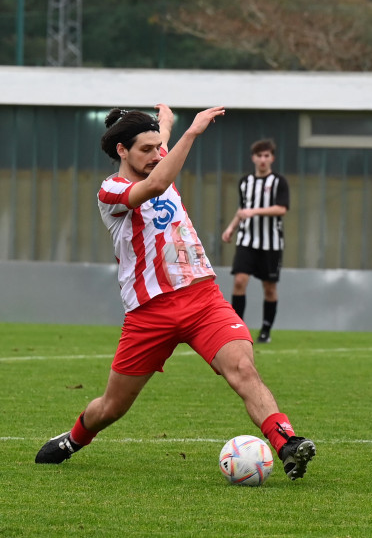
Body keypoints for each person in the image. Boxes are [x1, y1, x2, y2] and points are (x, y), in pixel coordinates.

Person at [35, 104, 315, 480]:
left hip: (203, 299)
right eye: (146, 150)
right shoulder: (111, 191)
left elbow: (159, 147)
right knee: (113, 407)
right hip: (150, 312)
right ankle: (74, 438)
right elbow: (155, 186)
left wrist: (164, 121)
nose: (156, 154)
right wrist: (191, 131)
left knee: (243, 369)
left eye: (158, 147)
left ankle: (287, 443)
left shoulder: (154, 156)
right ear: (122, 151)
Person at [221, 139, 289, 343]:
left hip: (271, 243)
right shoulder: (245, 182)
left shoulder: (279, 182)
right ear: (253, 158)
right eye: (259, 155)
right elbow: (243, 210)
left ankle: (266, 331)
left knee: (269, 287)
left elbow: (281, 209)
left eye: (267, 156)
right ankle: (237, 328)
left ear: (272, 158)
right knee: (240, 281)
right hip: (246, 240)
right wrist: (231, 228)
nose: (263, 159)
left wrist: (255, 211)